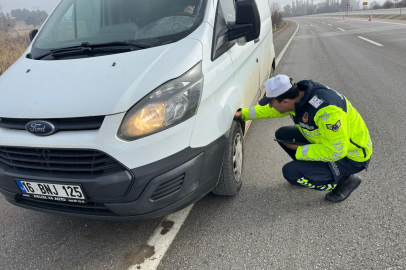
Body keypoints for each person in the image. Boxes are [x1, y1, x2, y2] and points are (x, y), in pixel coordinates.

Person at [234, 74, 373, 202]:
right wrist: (243, 114)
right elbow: (270, 110)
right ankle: (311, 169)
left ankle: (345, 181)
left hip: (351, 156)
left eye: (271, 102)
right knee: (283, 135)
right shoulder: (300, 96)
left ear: (286, 101)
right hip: (328, 141)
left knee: (290, 172)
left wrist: (301, 150)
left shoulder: (328, 112)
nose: (270, 105)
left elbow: (336, 151)